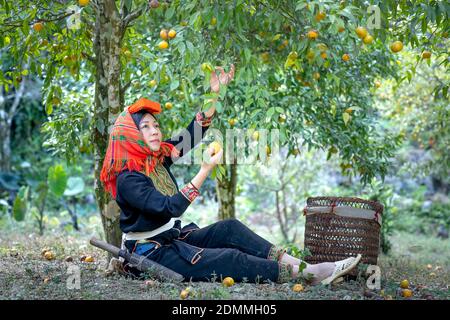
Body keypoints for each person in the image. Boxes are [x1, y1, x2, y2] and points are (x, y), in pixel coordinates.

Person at [100, 64, 361, 285]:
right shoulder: (129, 178)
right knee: (229, 259)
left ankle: (304, 266)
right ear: (130, 136)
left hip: (172, 238)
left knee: (230, 228)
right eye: (146, 127)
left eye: (156, 125)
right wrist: (205, 170)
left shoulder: (155, 159)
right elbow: (171, 207)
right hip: (151, 254)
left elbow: (192, 136)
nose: (155, 130)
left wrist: (215, 94)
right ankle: (308, 275)